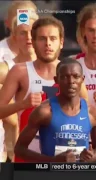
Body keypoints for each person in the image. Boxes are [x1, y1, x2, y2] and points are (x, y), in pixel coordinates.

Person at [0, 16, 88, 162]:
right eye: (42, 39)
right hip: (29, 158)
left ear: (61, 42)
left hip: (65, 158)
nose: (48, 44)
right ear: (33, 42)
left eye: (53, 39)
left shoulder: (73, 73)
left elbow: (86, 118)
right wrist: (22, 104)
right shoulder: (20, 71)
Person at [14, 59, 96, 162]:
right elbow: (19, 149)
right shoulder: (44, 112)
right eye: (65, 77)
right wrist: (52, 161)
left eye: (76, 76)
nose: (71, 82)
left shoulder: (94, 113)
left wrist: (90, 159)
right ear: (56, 80)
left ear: (82, 79)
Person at [0, 11, 39, 163]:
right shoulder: (4, 70)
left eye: (32, 32)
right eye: (23, 33)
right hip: (10, 154)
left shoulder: (58, 69)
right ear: (14, 37)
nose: (29, 37)